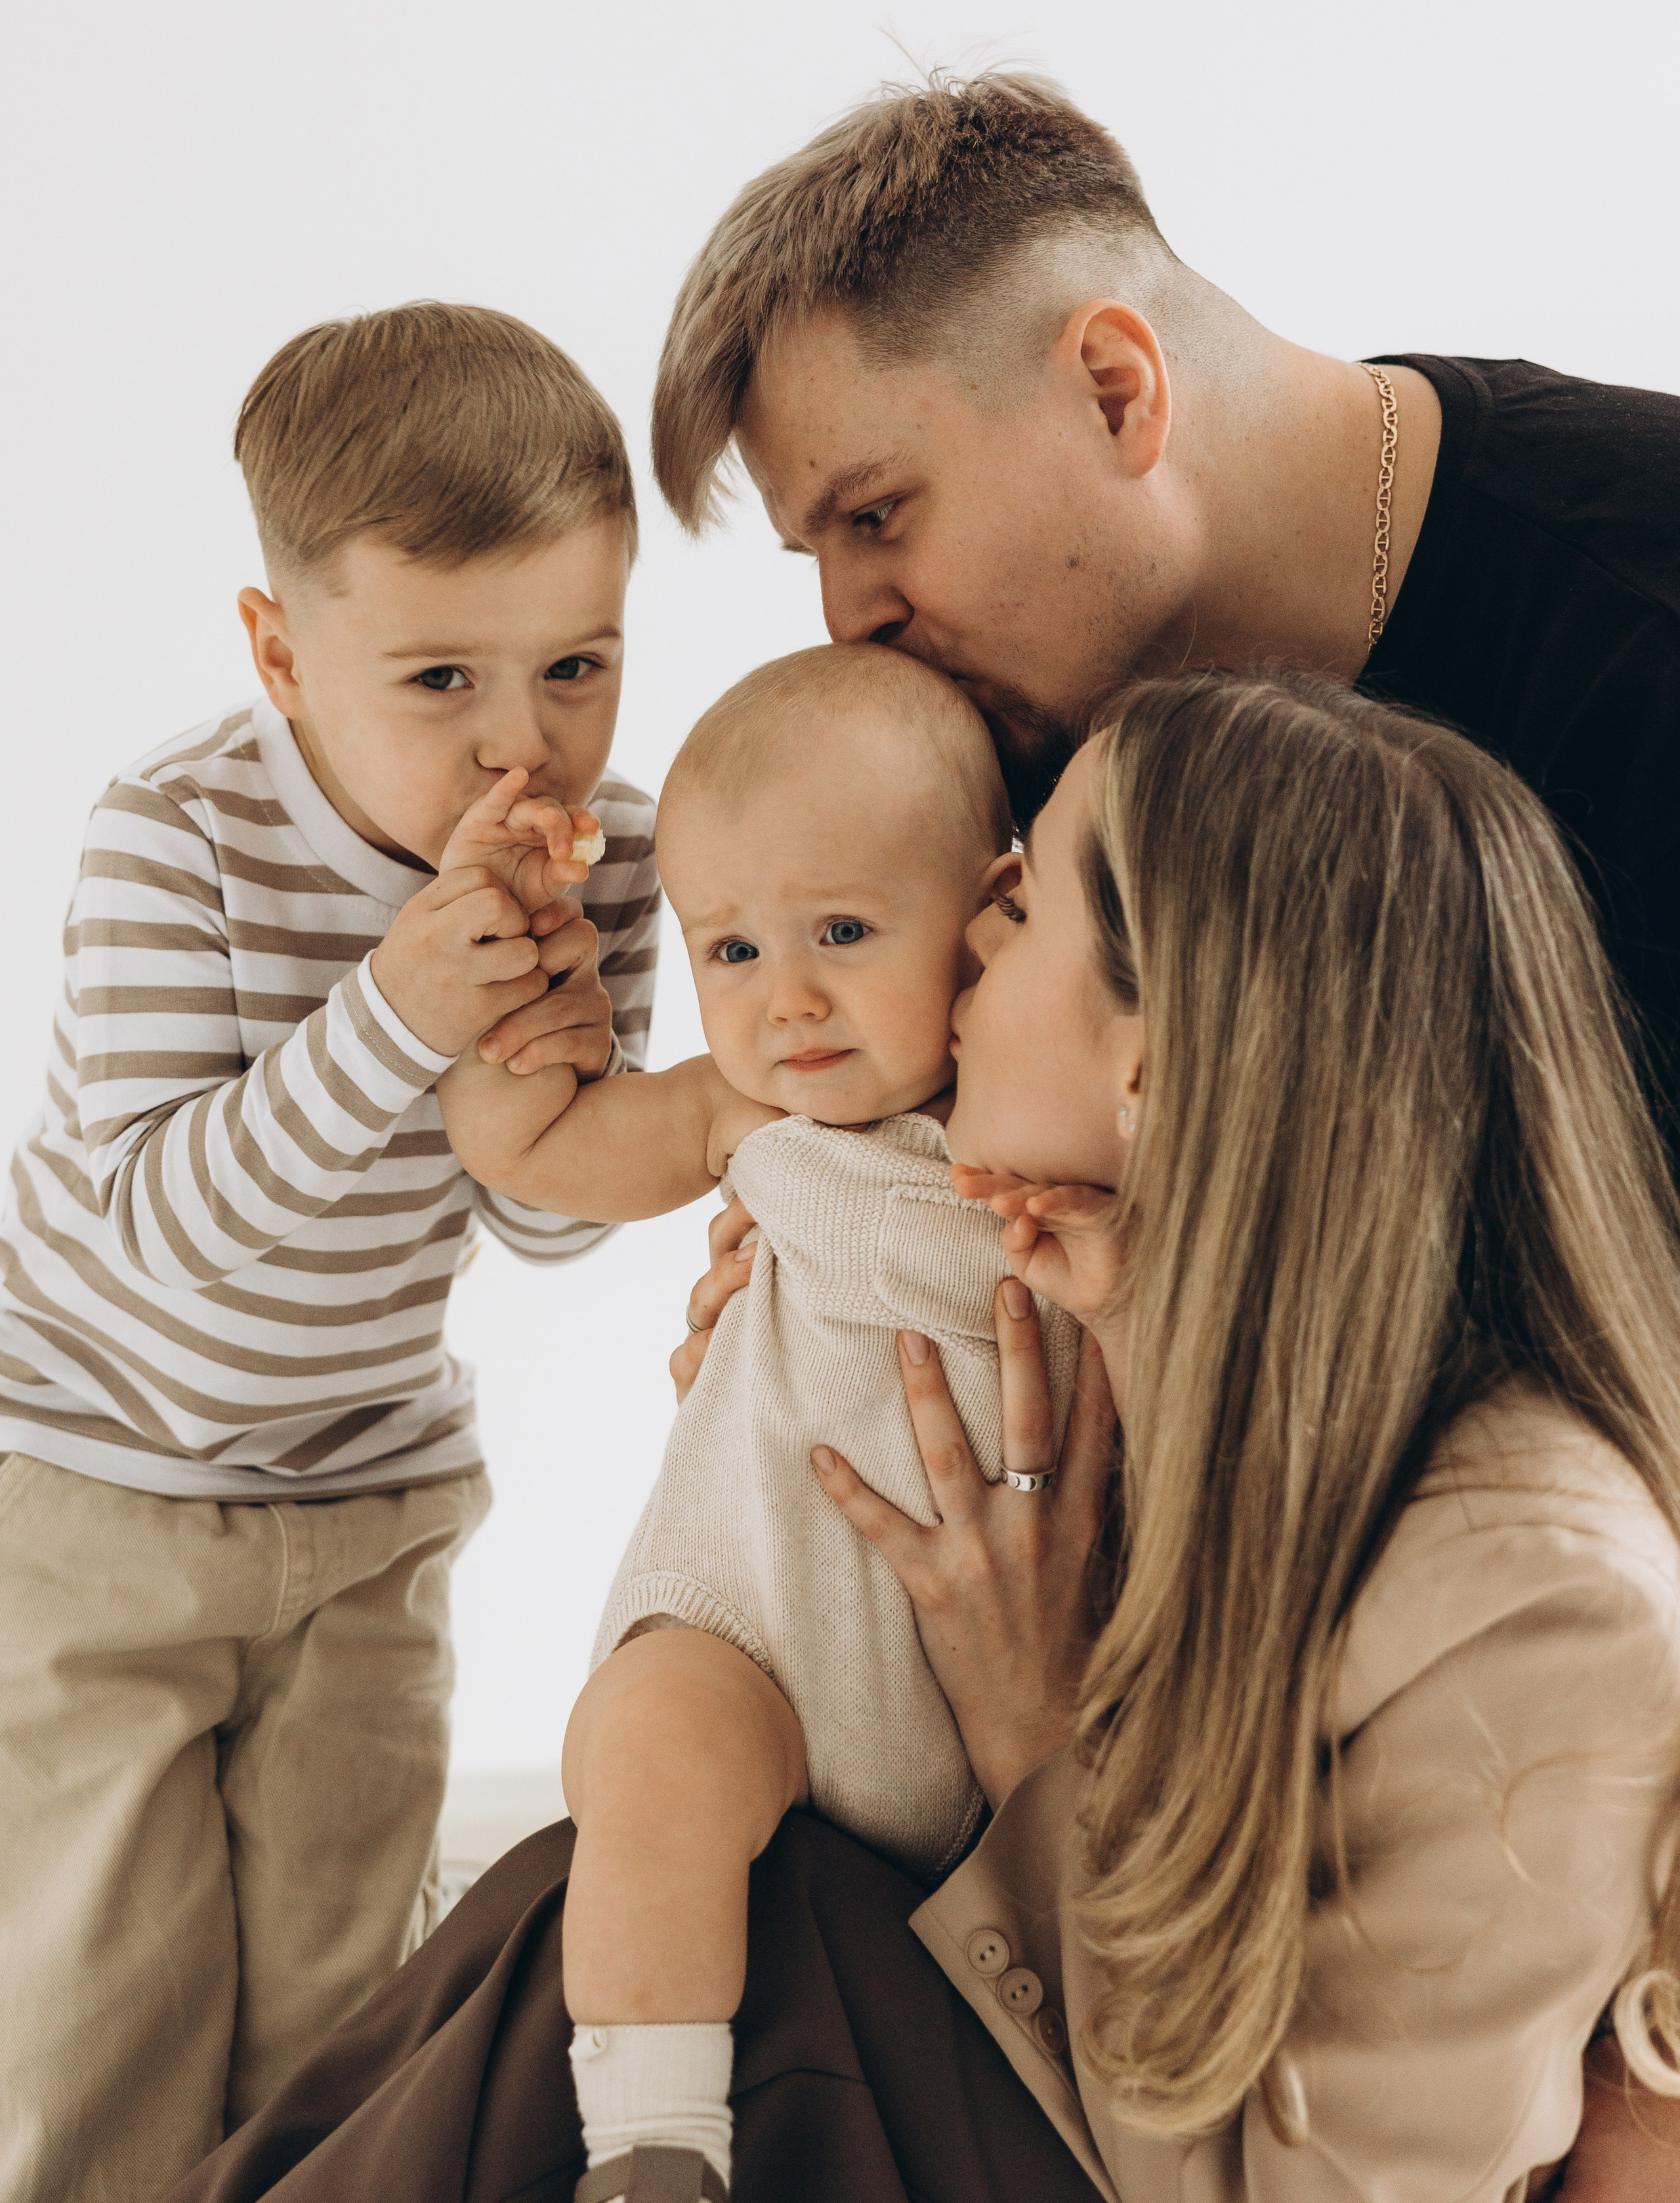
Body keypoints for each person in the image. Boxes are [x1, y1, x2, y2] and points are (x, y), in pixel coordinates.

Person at [162, 671, 1680, 2202]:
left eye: (1016, 915)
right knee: (624, 1878)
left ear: (1146, 1073)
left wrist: (1033, 1730)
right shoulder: (1153, 1318)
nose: (964, 944)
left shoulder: (1532, 1596)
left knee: (734, 1934)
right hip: (977, 1989)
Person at [0, 303, 660, 2202]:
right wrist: (389, 1013)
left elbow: (536, 1227)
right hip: (98, 1500)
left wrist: (551, 1067)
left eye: (578, 667)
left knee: (341, 2030)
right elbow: (152, 1237)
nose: (516, 744)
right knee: (96, 2021)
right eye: (439, 679)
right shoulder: (173, 840)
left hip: (367, 1507)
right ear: (283, 654)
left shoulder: (601, 853)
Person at [647, 71, 1680, 1182]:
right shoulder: (1041, 720)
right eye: (818, 552)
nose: (849, 620)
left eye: (877, 514)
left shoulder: (1641, 620)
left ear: (1114, 391)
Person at [436, 643, 1083, 2197]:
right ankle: (659, 2135)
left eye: (842, 933)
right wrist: (522, 973)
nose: (783, 1000)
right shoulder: (752, 1118)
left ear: (995, 913)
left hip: (1000, 1701)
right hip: (760, 1647)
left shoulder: (1057, 1128)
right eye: (726, 952)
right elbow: (536, 1146)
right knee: (649, 1751)